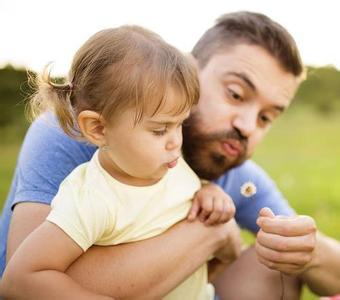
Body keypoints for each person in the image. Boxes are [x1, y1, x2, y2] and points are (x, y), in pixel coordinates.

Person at [0, 11, 339, 299]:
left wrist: (307, 251)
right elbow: (24, 281)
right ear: (188, 72)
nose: (248, 126)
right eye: (235, 94)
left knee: (276, 265)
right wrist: (209, 235)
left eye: (267, 117)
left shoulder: (232, 172)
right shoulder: (75, 136)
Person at [0, 25, 238, 299]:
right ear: (98, 129)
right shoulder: (91, 199)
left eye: (180, 124)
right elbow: (20, 281)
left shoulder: (167, 163)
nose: (175, 140)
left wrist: (208, 192)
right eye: (159, 129)